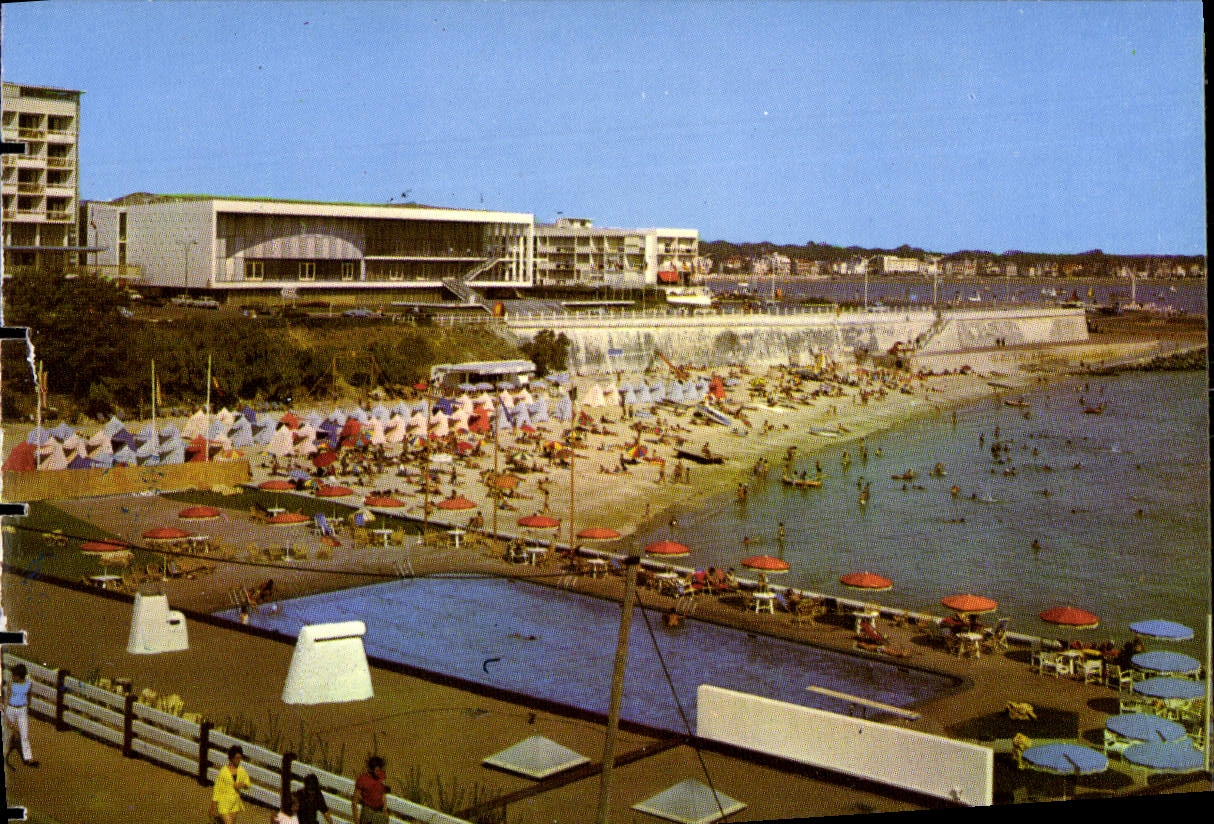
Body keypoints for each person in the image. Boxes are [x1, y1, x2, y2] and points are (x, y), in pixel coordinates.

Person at [3, 663, 38, 767]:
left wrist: (27, 708)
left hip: (22, 710)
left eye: (15, 674)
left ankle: (29, 758)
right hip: (11, 709)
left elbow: (29, 696)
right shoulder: (11, 683)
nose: (13, 676)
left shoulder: (28, 684)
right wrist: (5, 715)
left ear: (20, 676)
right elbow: (7, 698)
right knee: (7, 733)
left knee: (24, 734)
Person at [210, 745, 251, 824]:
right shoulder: (223, 772)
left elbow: (247, 784)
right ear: (231, 758)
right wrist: (213, 806)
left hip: (235, 803)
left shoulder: (241, 770)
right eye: (237, 758)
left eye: (240, 758)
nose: (239, 760)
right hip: (223, 802)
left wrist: (242, 785)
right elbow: (217, 790)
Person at [352, 756, 390, 824]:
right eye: (377, 771)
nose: (379, 773)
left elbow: (383, 795)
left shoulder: (381, 777)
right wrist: (356, 819)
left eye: (380, 770)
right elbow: (355, 801)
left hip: (379, 812)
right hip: (368, 812)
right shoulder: (363, 779)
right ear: (371, 770)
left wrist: (386, 812)